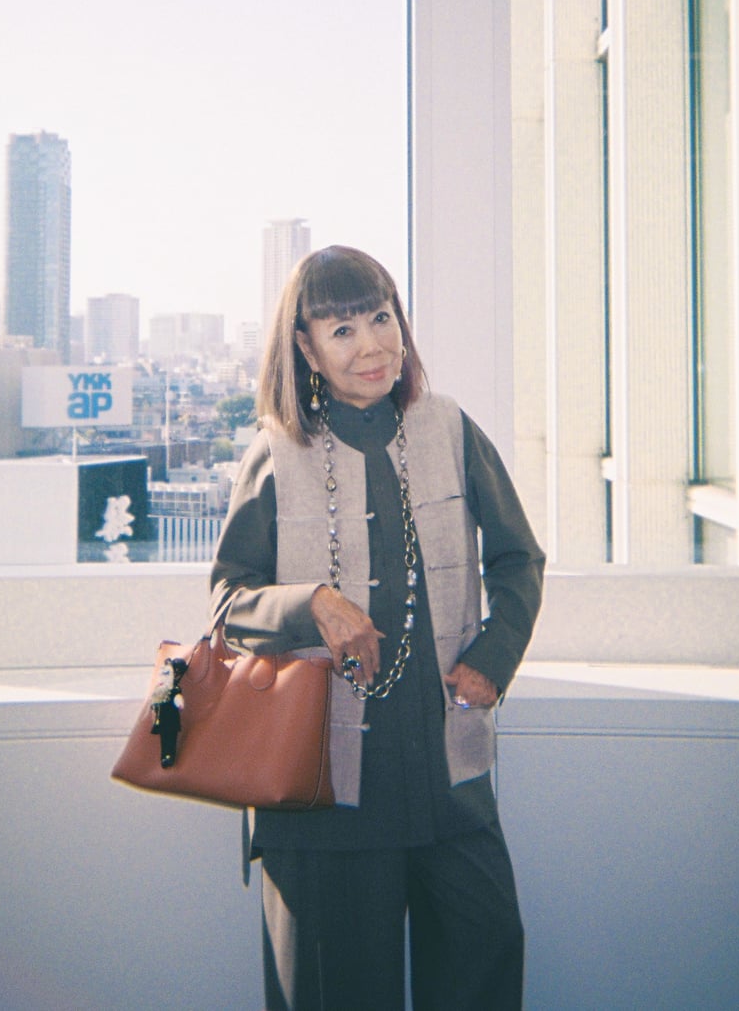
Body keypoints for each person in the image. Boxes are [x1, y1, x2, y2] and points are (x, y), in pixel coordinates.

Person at [209, 246, 545, 1011]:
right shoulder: (274, 452)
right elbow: (229, 605)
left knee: (485, 970)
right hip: (320, 800)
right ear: (306, 349)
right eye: (342, 330)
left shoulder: (450, 429)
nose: (372, 346)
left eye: (381, 318)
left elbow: (519, 558)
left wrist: (494, 656)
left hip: (448, 783)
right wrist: (312, 604)